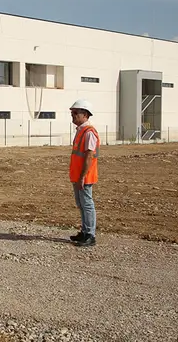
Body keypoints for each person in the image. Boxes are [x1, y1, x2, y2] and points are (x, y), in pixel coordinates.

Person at [68, 99, 100, 247]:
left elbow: (89, 156)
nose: (73, 115)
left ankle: (90, 235)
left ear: (85, 114)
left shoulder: (89, 133)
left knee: (87, 204)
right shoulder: (81, 131)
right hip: (78, 176)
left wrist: (82, 176)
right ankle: (85, 231)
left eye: (76, 113)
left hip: (84, 176)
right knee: (81, 204)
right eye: (72, 113)